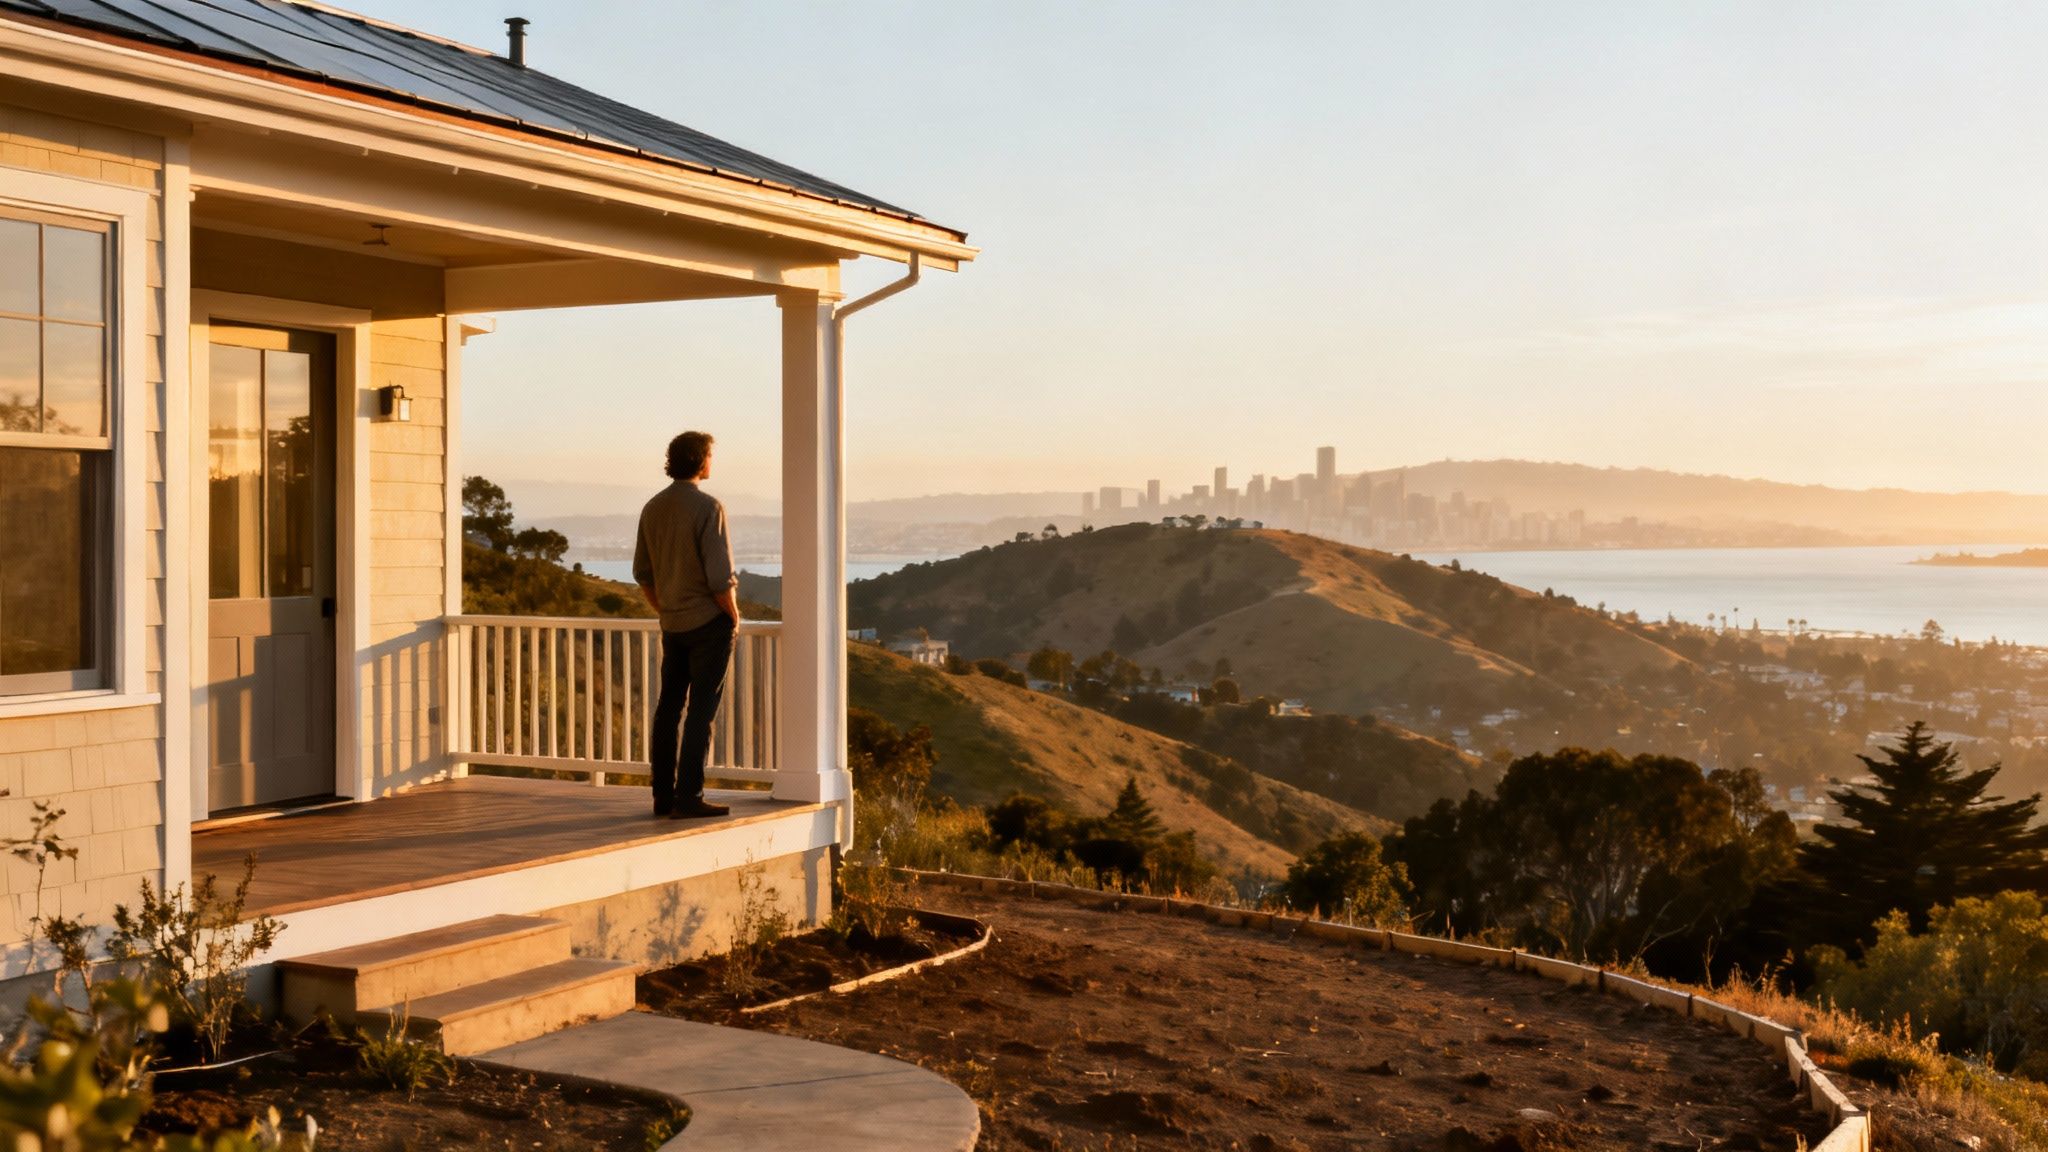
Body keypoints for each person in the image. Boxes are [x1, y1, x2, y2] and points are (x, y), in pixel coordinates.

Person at [634, 431, 740, 819]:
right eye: (710, 455)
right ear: (700, 459)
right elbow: (720, 579)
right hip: (708, 625)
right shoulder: (708, 507)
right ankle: (689, 796)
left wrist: (666, 608)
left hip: (673, 624)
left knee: (669, 708)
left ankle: (663, 795)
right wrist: (734, 616)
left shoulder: (653, 507)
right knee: (700, 712)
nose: (712, 461)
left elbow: (643, 573)